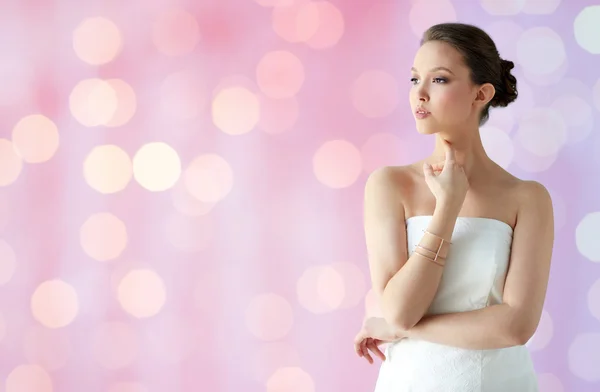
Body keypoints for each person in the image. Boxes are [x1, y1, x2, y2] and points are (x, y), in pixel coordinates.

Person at [353, 22, 554, 391]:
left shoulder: (528, 198)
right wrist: (447, 208)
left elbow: (516, 326)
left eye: (440, 80)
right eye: (415, 80)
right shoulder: (389, 185)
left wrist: (400, 330)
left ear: (481, 94)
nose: (420, 94)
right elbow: (399, 309)